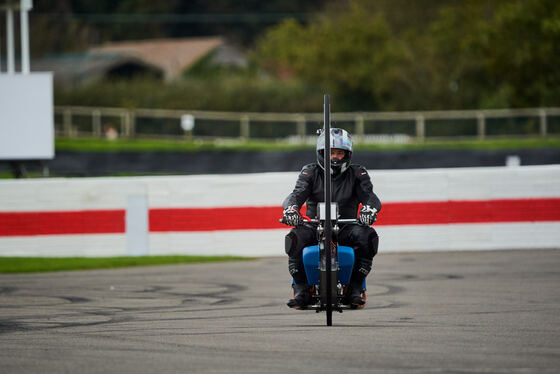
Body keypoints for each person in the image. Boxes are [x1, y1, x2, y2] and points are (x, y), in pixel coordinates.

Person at [282, 128, 381, 308]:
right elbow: (296, 194)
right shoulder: (309, 172)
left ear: (347, 154)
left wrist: (368, 210)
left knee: (367, 236)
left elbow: (370, 197)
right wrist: (291, 210)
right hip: (314, 226)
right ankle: (301, 289)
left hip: (347, 227)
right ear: (321, 153)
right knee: (295, 237)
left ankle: (356, 288)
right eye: (331, 153)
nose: (335, 157)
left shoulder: (358, 173)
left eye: (339, 153)